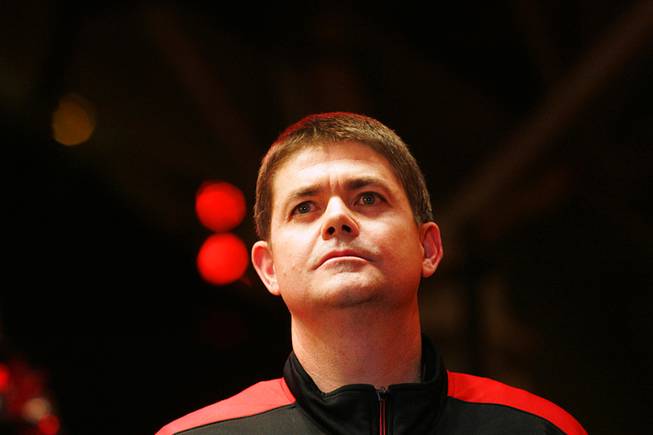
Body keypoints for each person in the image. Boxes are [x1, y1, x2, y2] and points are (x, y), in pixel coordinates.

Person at [157, 112, 586, 434]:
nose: (338, 218)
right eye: (304, 207)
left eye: (367, 198)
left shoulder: (540, 430)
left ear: (428, 247)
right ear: (268, 269)